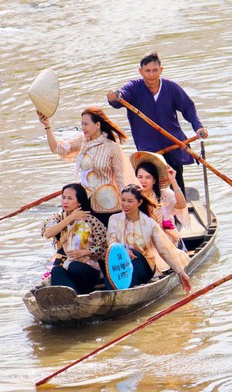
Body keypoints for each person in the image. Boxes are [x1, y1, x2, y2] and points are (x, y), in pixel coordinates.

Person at [107, 52, 208, 194]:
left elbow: (188, 107)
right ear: (141, 71)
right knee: (150, 185)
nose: (151, 75)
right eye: (147, 71)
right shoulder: (134, 87)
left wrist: (198, 127)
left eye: (155, 70)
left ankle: (180, 214)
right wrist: (114, 96)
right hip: (149, 148)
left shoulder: (171, 88)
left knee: (176, 182)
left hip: (173, 142)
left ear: (161, 70)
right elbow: (120, 98)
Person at [38, 106, 138, 226]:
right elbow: (57, 149)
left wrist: (127, 208)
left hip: (110, 207)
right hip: (87, 205)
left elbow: (121, 179)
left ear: (97, 125)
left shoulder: (112, 147)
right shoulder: (82, 142)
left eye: (86, 124)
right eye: (82, 124)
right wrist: (47, 126)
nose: (83, 128)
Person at [106, 184, 191, 292]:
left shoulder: (149, 223)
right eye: (123, 200)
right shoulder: (113, 219)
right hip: (120, 264)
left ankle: (125, 290)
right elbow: (111, 241)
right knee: (112, 277)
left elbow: (164, 248)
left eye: (130, 201)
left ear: (139, 202)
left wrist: (181, 273)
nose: (125, 204)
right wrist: (123, 251)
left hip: (144, 265)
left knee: (134, 255)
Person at [41, 183, 107, 294]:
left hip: (88, 269)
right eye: (63, 197)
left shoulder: (90, 220)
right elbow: (48, 234)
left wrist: (84, 252)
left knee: (75, 266)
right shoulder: (57, 218)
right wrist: (70, 218)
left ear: (79, 202)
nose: (65, 201)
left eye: (70, 198)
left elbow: (104, 248)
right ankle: (75, 296)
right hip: (67, 265)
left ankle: (75, 295)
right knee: (57, 270)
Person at [130, 151, 187, 250]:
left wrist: (173, 180)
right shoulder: (131, 197)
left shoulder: (164, 195)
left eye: (148, 177)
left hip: (167, 242)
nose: (143, 181)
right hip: (142, 243)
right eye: (140, 177)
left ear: (154, 180)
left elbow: (182, 205)